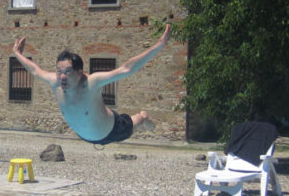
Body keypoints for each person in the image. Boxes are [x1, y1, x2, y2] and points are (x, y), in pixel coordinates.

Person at [12, 24, 171, 145]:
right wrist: (18, 54)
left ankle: (144, 117)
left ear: (80, 72)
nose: (62, 77)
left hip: (112, 130)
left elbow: (126, 69)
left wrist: (159, 45)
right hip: (86, 136)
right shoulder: (55, 82)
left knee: (135, 122)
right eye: (59, 71)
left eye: (67, 72)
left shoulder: (91, 83)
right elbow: (34, 70)